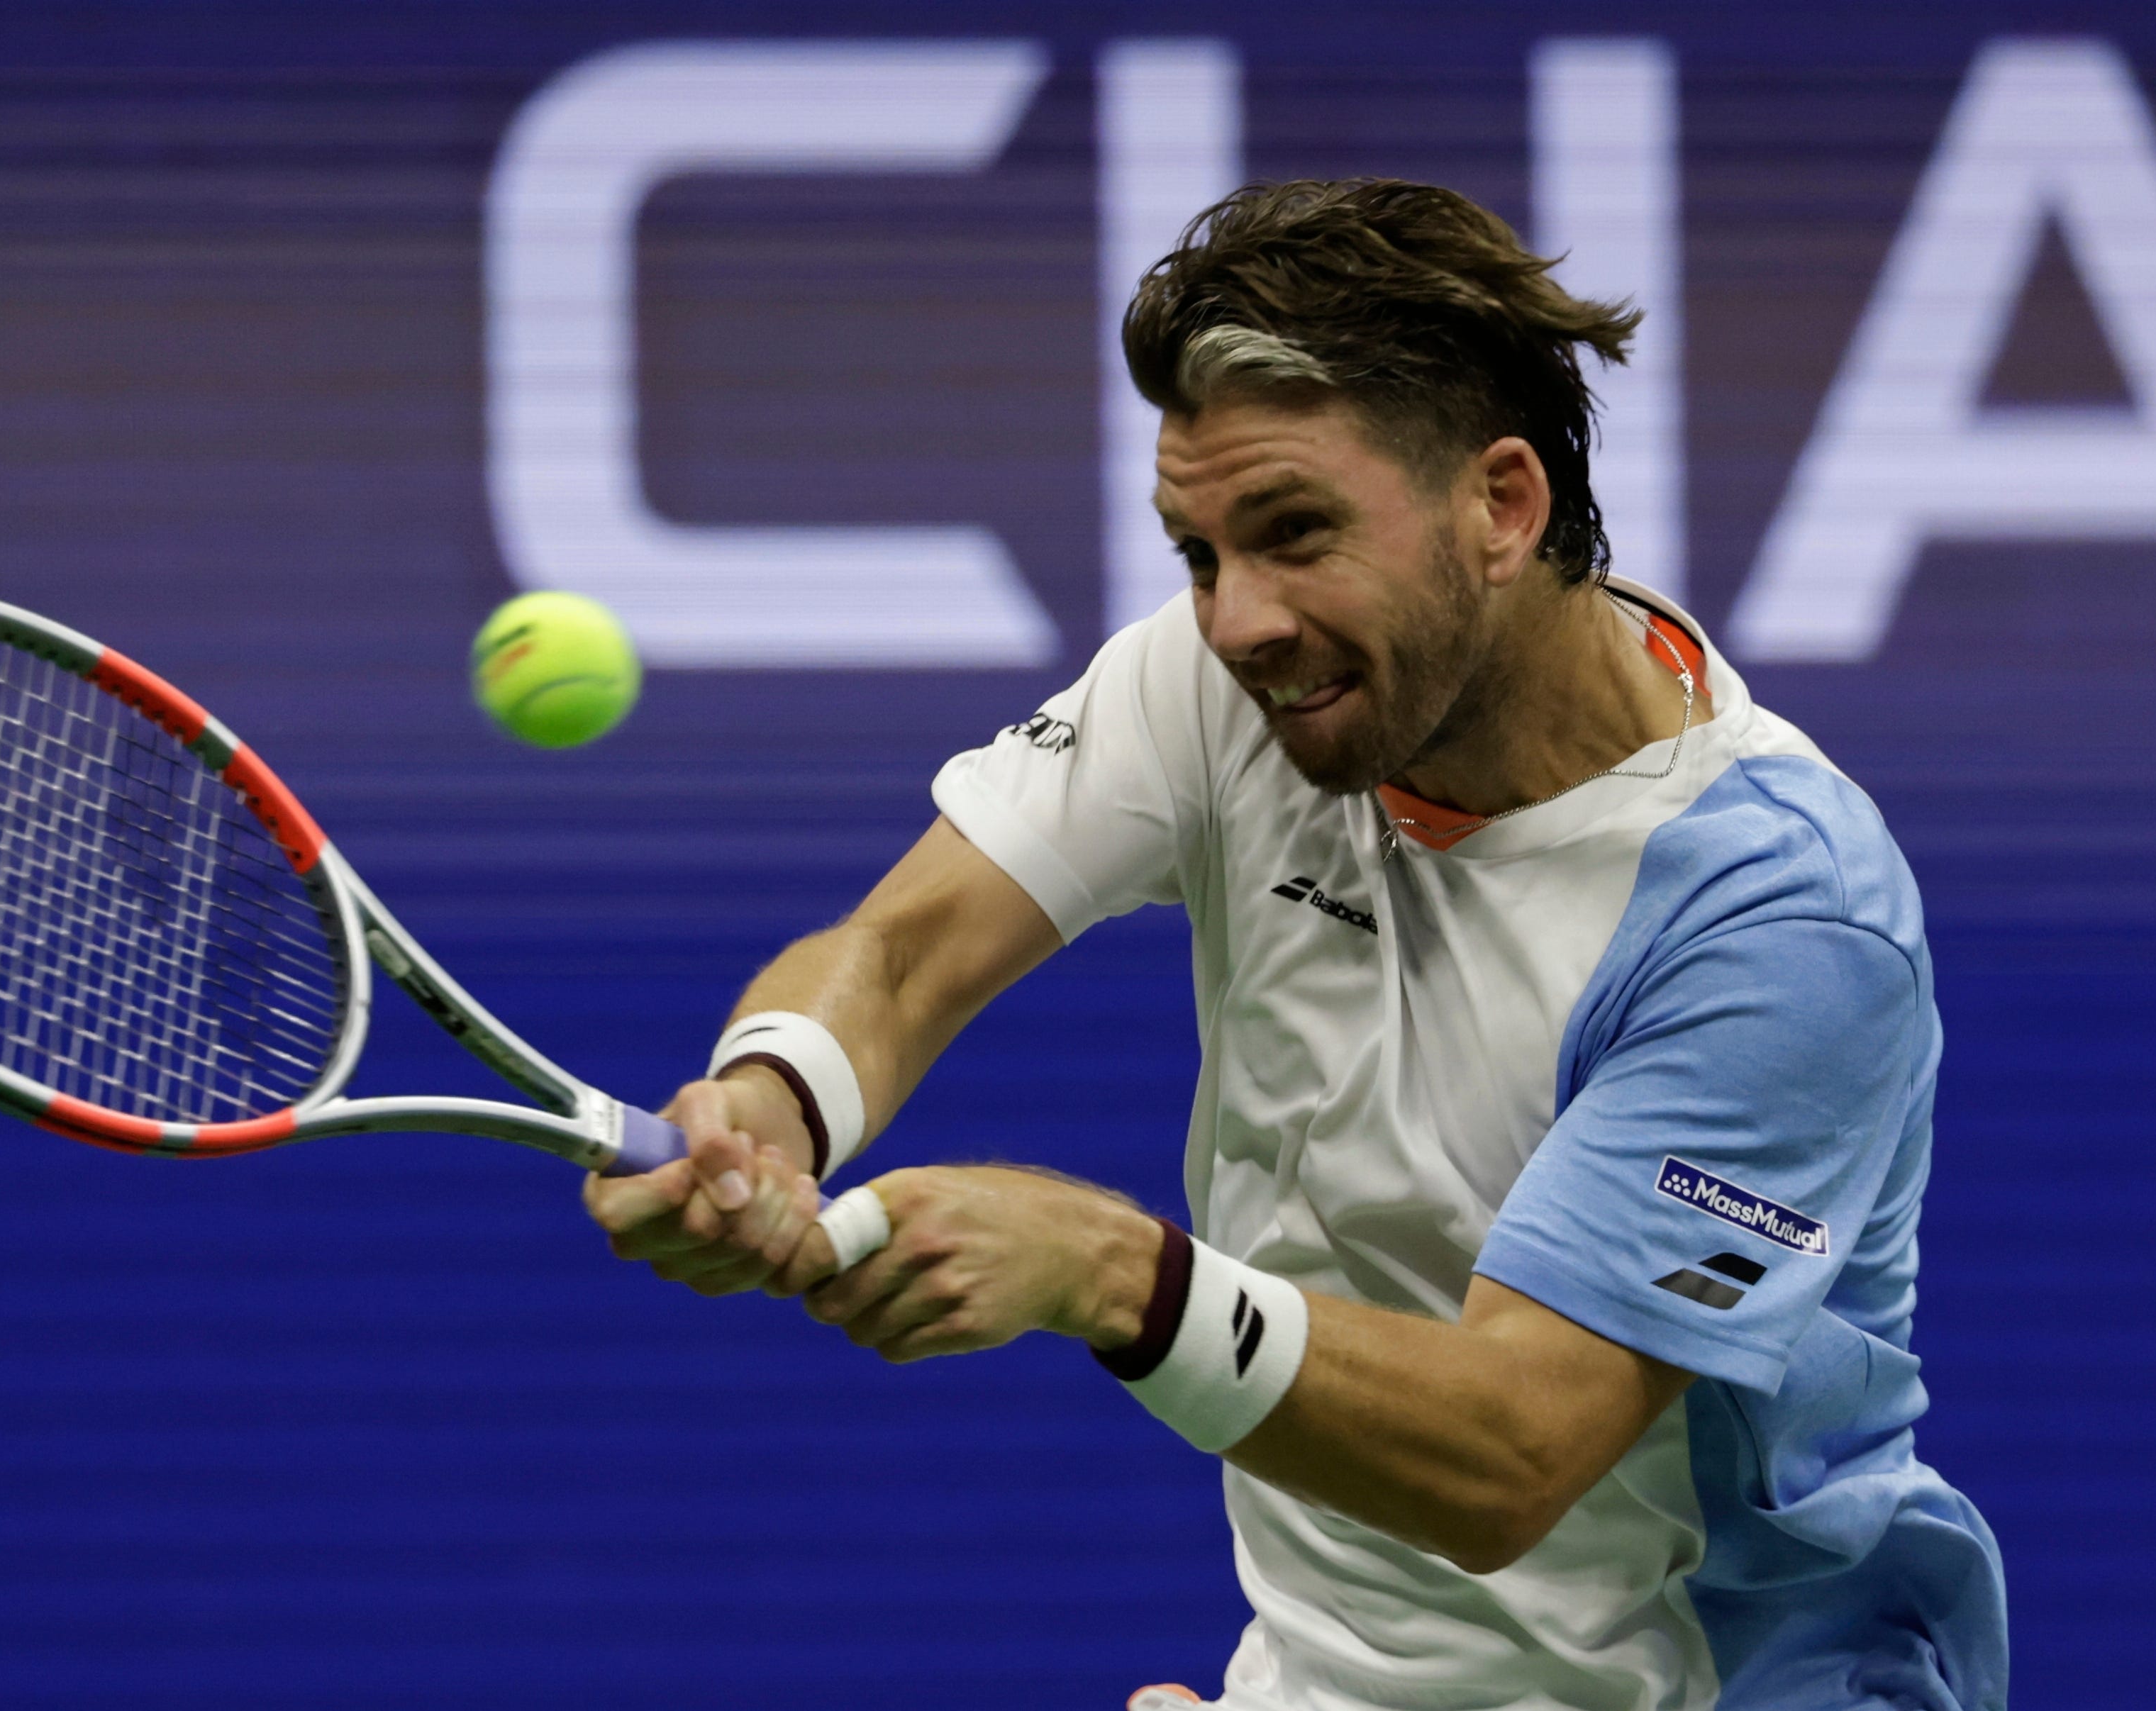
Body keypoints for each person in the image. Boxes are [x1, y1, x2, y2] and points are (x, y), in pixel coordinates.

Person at [583, 179, 2008, 1711]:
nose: (1236, 619)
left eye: (1296, 533)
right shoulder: (1238, 690)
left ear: (1501, 506)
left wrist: (1109, 1271)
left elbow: (1512, 1450)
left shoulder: (1777, 918)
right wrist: (769, 1106)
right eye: (1198, 554)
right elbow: (904, 950)